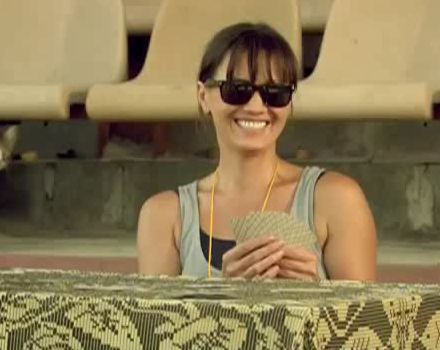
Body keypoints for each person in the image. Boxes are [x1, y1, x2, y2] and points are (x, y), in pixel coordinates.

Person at [137, 23, 377, 281]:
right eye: (237, 90)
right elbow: (152, 309)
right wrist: (224, 294)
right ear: (203, 96)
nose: (256, 106)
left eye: (275, 93)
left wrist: (314, 295)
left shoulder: (337, 199)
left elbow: (365, 307)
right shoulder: (164, 215)